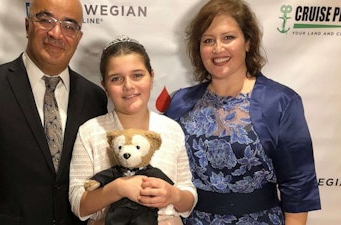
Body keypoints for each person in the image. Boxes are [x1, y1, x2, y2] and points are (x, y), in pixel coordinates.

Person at [164, 0, 321, 224]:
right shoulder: (181, 102)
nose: (218, 48)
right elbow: (165, 171)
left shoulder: (281, 102)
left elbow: (297, 186)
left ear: (248, 42)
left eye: (228, 37)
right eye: (208, 40)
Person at [0, 0, 107, 224]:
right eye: (46, 20)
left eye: (69, 25)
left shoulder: (94, 98)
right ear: (27, 26)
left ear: (78, 37)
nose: (56, 33)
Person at [68, 35, 197, 225]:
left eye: (137, 75)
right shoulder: (90, 132)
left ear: (151, 77)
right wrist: (118, 188)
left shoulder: (171, 130)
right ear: (104, 85)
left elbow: (188, 197)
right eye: (116, 79)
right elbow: (78, 203)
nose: (128, 86)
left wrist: (173, 195)